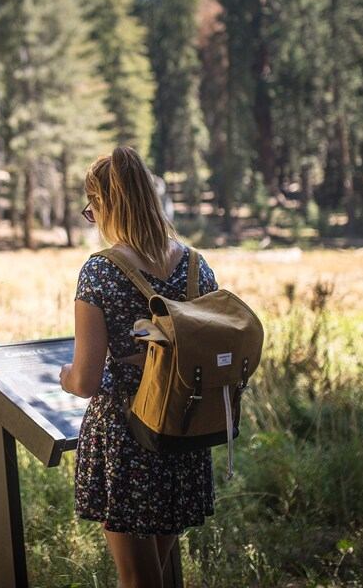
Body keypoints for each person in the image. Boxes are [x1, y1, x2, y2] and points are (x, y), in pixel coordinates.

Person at [59, 146, 217, 588]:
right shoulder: (195, 267)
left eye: (92, 209)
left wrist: (64, 378)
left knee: (137, 579)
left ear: (108, 204)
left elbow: (86, 380)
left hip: (129, 435)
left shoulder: (100, 272)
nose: (93, 219)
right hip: (182, 430)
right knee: (155, 571)